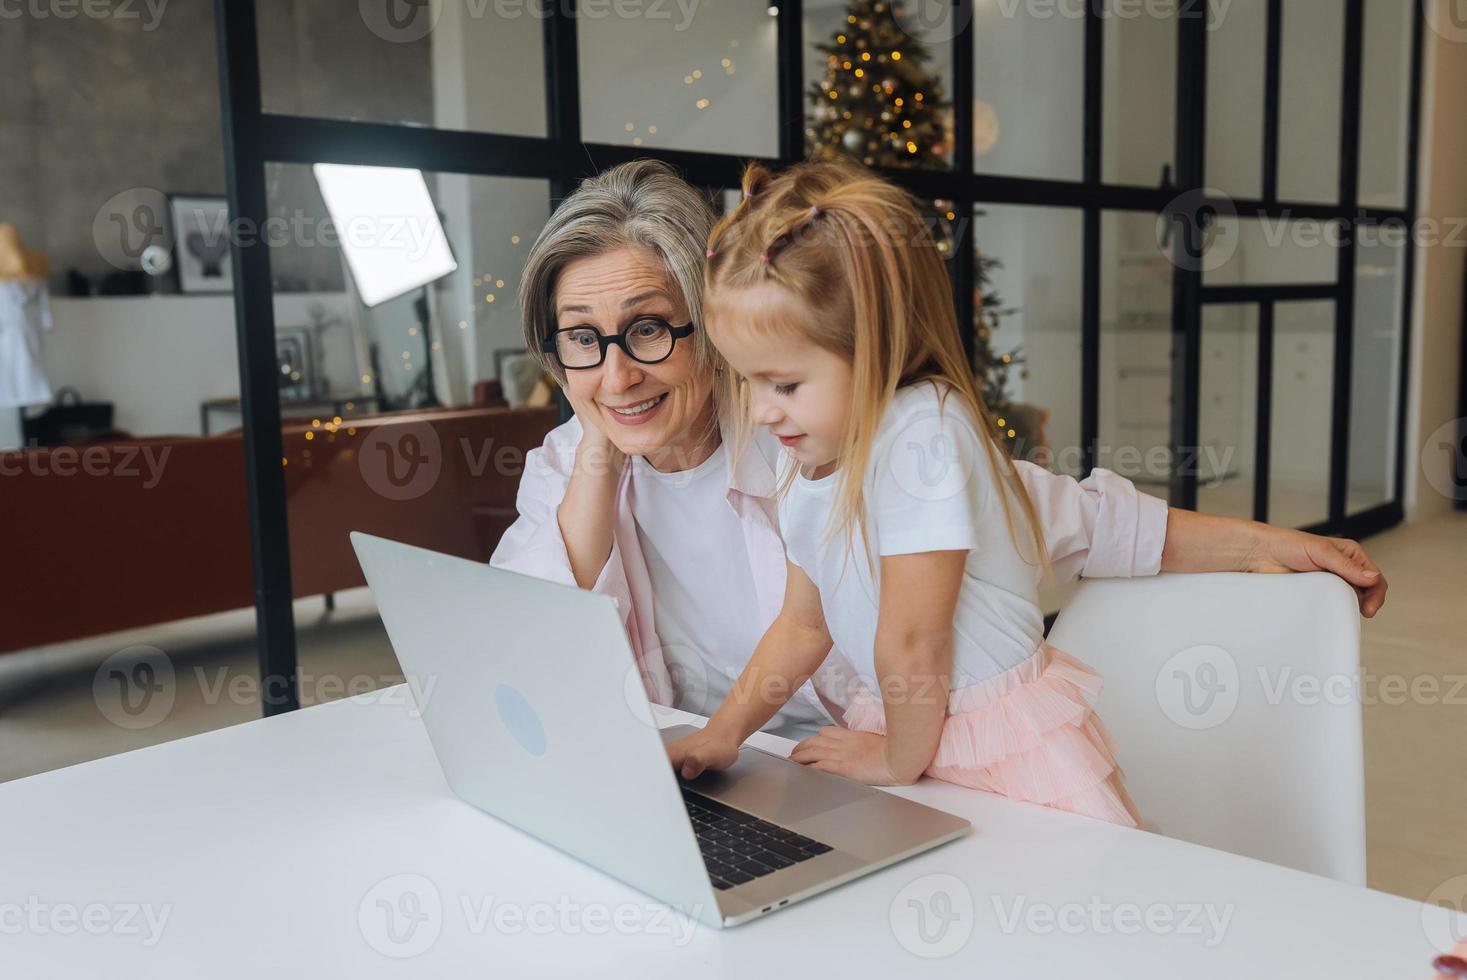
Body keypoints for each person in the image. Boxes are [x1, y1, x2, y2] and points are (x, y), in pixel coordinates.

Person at [491, 159, 1389, 749]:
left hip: (844, 764)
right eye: (581, 340)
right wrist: (599, 460)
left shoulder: (820, 439)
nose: (615, 372)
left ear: (716, 328)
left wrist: (1263, 545)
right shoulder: (570, 464)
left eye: (647, 329)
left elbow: (1064, 515)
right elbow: (517, 656)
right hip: (707, 775)